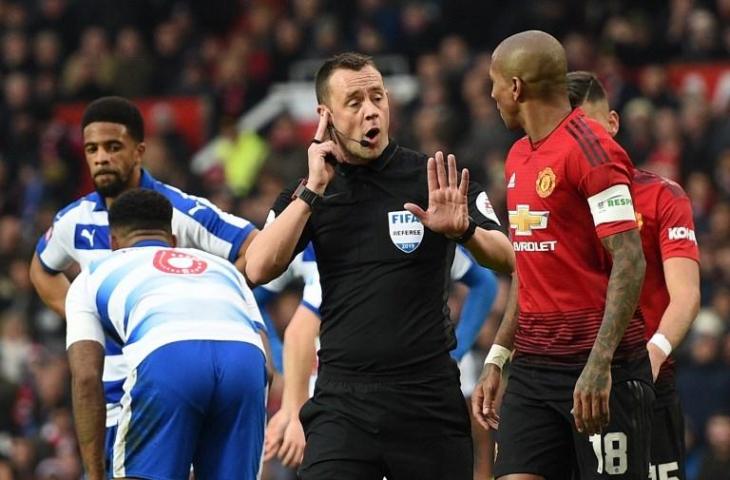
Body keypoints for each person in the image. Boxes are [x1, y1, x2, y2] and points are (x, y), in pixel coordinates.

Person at [244, 52, 514, 479]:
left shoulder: (431, 178)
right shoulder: (311, 191)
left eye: (377, 97)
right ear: (325, 115)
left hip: (426, 400)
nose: (371, 110)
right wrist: (313, 190)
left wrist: (464, 232)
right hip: (342, 401)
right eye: (354, 102)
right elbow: (258, 267)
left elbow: (506, 256)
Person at [28, 96, 258, 473]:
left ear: (139, 152)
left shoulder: (177, 211)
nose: (101, 157)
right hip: (110, 393)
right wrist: (89, 320)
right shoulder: (74, 219)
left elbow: (252, 248)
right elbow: (41, 269)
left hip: (169, 376)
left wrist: (213, 297)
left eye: (113, 147)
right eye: (92, 149)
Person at [472, 31, 653, 479]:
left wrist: (599, 363)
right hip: (533, 370)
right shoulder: (517, 157)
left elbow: (630, 259)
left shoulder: (592, 151)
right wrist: (499, 355)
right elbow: (528, 265)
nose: (491, 94)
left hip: (598, 370)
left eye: (494, 83)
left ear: (516, 88)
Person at [65, 188, 269, 480]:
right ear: (172, 241)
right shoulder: (225, 270)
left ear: (113, 242)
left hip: (166, 355)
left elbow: (86, 378)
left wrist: (95, 473)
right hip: (246, 364)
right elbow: (268, 368)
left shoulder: (93, 273)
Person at [566, 70, 701, 480]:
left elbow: (686, 295)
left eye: (590, 129)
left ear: (613, 123)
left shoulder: (663, 196)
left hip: (644, 382)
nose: (585, 145)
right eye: (572, 135)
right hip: (567, 383)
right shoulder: (555, 199)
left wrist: (655, 352)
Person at [263, 244, 499, 470]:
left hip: (416, 383)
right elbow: (272, 304)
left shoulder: (418, 236)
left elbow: (484, 282)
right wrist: (281, 364)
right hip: (338, 388)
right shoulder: (311, 239)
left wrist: (457, 350)